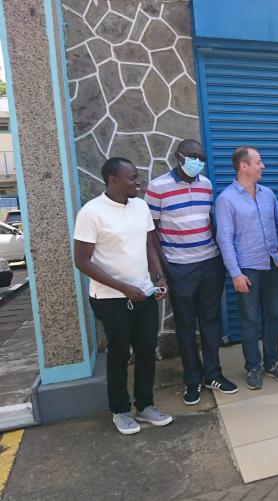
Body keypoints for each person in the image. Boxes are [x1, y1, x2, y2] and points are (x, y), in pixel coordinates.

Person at [74, 157, 173, 435]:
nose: (138, 182)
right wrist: (123, 288)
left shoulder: (140, 207)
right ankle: (120, 411)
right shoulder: (91, 212)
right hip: (110, 299)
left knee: (146, 350)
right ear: (112, 179)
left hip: (144, 293)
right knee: (119, 354)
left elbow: (149, 245)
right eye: (132, 178)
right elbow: (82, 261)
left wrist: (159, 277)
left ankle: (145, 406)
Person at [144, 139, 237, 405]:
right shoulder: (158, 187)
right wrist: (162, 270)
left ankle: (213, 374)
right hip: (179, 266)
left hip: (209, 263)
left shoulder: (206, 184)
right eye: (193, 156)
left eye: (201, 158)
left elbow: (209, 222)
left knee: (210, 321)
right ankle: (192, 380)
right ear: (178, 157)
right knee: (185, 326)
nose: (198, 162)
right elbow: (151, 232)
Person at [215, 145, 278, 390]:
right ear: (243, 166)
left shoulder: (267, 194)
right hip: (247, 269)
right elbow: (224, 239)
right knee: (249, 320)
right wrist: (235, 273)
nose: (263, 166)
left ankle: (272, 362)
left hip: (273, 264)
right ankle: (253, 367)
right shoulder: (226, 199)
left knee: (273, 315)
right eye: (258, 162)